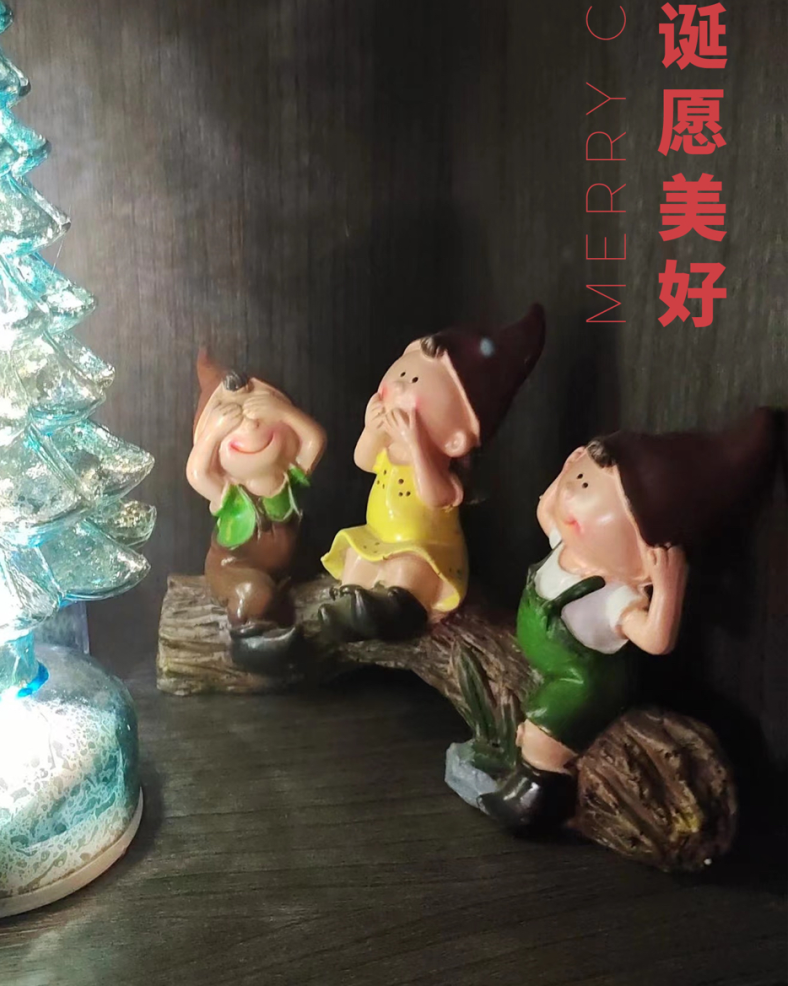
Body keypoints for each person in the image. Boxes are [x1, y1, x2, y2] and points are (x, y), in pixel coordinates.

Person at [481, 408, 777, 834]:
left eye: (595, 496)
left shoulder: (614, 595)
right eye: (581, 480)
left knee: (542, 739)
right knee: (521, 724)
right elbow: (547, 509)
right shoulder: (567, 542)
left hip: (583, 683)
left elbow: (657, 641)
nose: (574, 497)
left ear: (644, 558)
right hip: (546, 663)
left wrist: (669, 586)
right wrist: (565, 472)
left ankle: (536, 804)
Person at [318, 304, 545, 642]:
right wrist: (372, 430)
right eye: (401, 374)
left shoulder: (437, 469)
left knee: (408, 570)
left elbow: (434, 496)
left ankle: (395, 609)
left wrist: (416, 446)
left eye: (412, 382)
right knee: (358, 560)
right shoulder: (388, 450)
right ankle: (348, 603)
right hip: (378, 535)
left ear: (455, 440)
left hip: (425, 548)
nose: (398, 387)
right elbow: (362, 460)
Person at [187, 351, 326, 673]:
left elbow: (316, 439)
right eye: (234, 420)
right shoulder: (229, 492)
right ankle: (250, 644)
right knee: (254, 593)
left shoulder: (289, 477)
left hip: (290, 569)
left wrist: (283, 411)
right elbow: (196, 473)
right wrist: (215, 431)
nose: (250, 424)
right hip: (234, 567)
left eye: (258, 411)